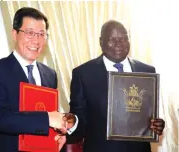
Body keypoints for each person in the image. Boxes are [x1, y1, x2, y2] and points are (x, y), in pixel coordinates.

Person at [68, 20, 165, 152]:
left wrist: (156, 125)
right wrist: (71, 124)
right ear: (101, 42)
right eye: (112, 39)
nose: (119, 43)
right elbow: (79, 120)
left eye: (123, 38)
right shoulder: (83, 74)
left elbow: (147, 113)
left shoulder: (147, 71)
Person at [0, 7, 68, 152]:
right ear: (15, 34)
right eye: (29, 33)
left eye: (41, 34)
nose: (36, 40)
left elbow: (49, 114)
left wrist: (59, 134)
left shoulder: (50, 74)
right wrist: (46, 119)